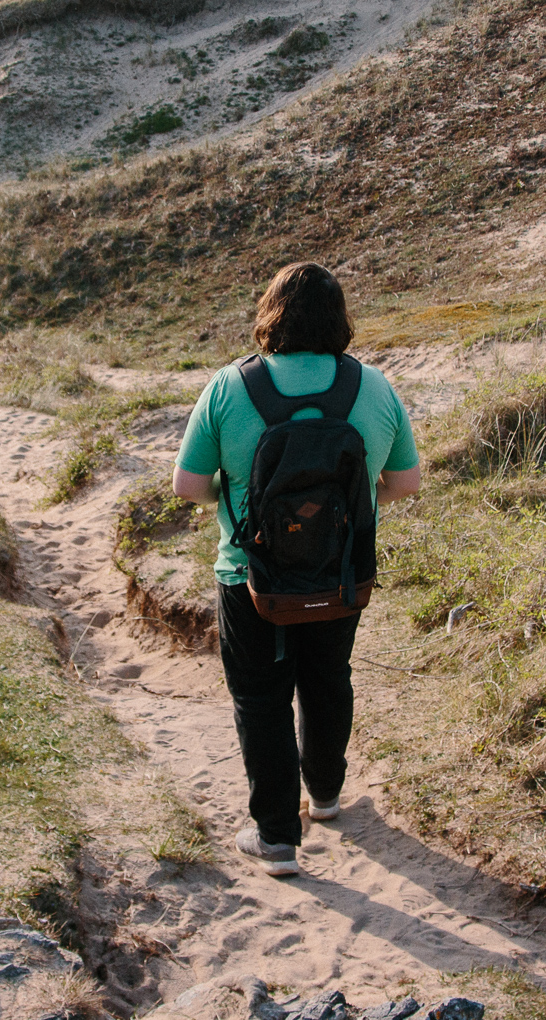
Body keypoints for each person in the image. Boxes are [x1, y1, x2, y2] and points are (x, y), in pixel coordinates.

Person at [173, 262, 420, 876]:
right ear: (340, 321)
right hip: (340, 576)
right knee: (328, 678)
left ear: (269, 314)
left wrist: (240, 511)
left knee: (260, 698)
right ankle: (329, 796)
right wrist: (351, 508)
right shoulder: (375, 388)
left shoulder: (229, 388)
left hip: (249, 577)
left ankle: (277, 838)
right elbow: (406, 482)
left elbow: (188, 485)